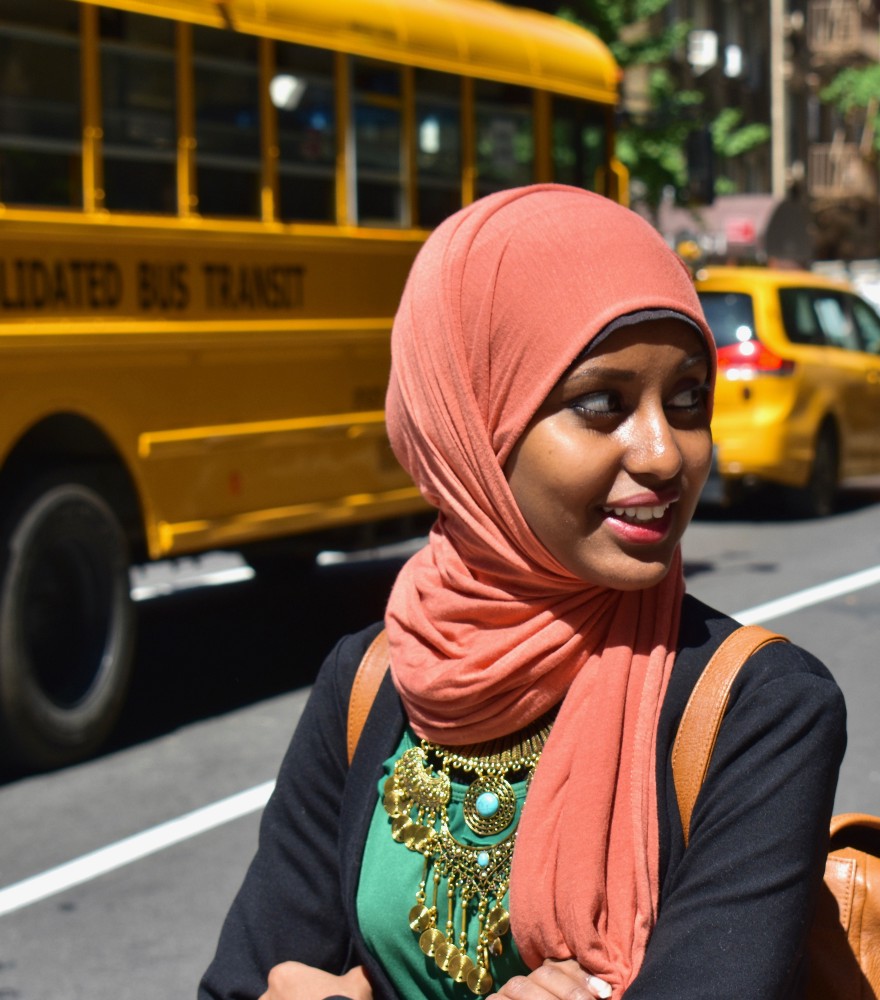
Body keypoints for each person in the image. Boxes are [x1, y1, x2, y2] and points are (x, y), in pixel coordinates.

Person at [200, 185, 847, 1000]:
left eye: (687, 402)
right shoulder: (373, 680)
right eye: (600, 404)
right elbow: (240, 983)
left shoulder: (761, 711)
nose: (663, 454)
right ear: (470, 425)